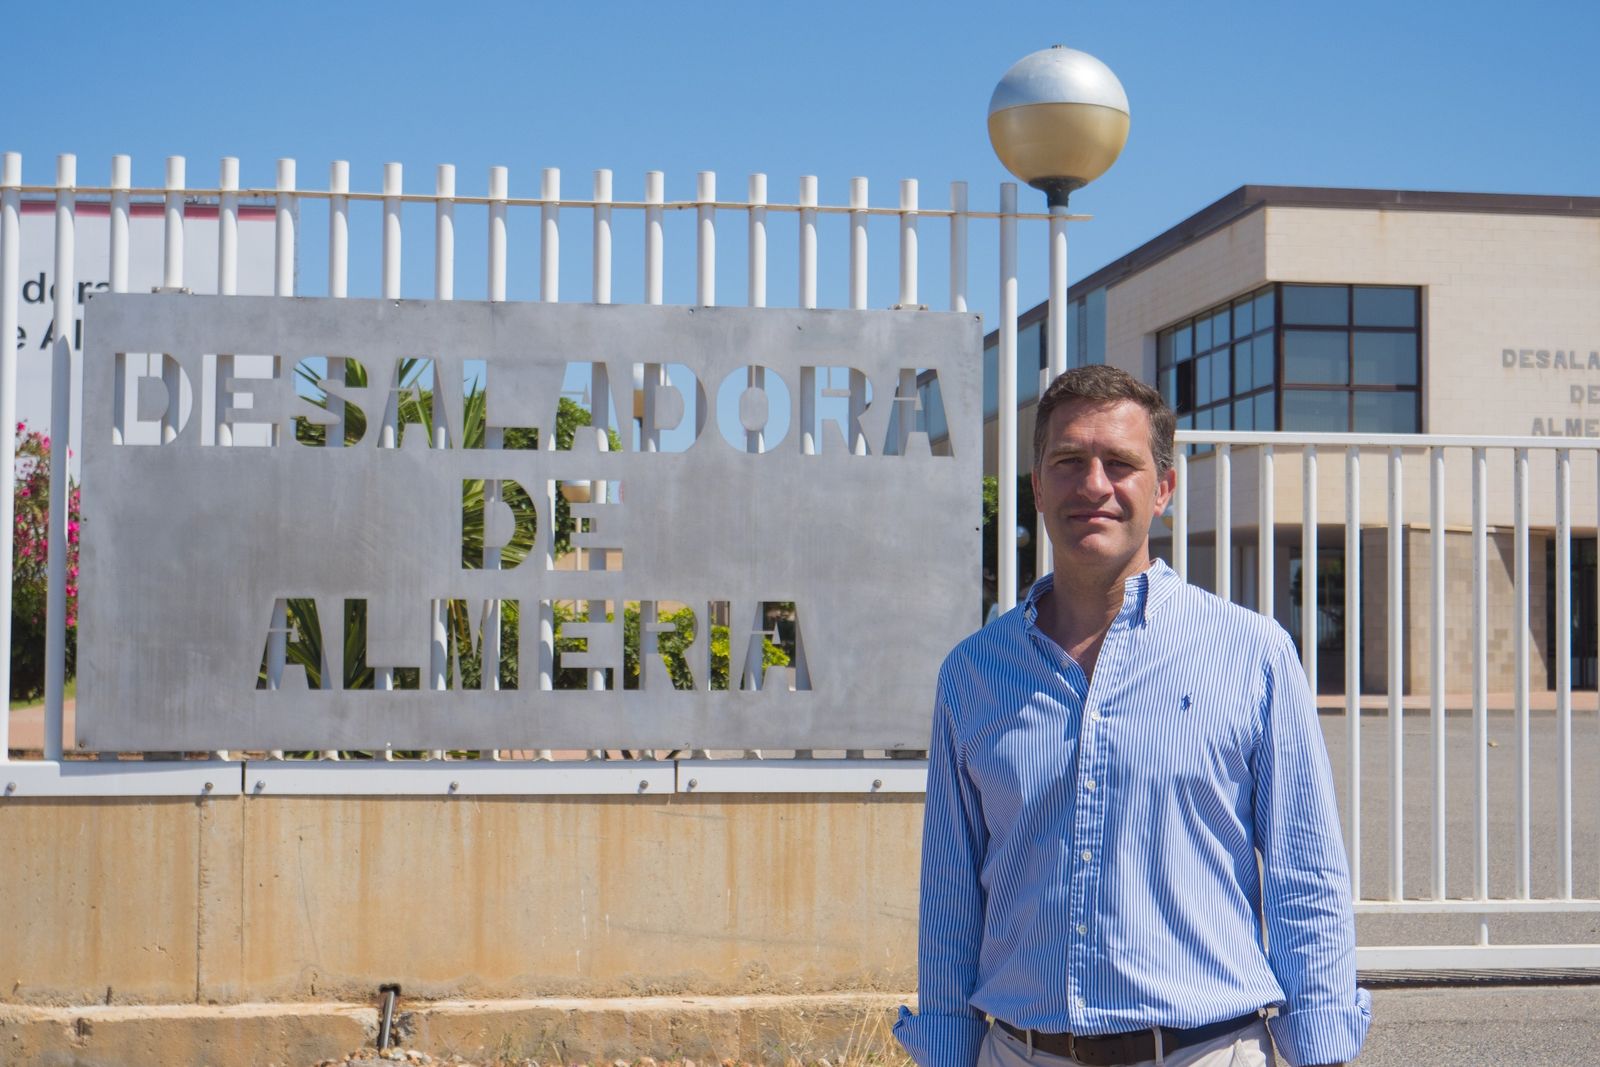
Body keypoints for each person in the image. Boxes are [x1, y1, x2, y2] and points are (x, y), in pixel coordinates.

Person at [893, 366, 1369, 1067]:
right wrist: (944, 1049)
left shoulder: (1251, 653)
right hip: (1020, 1052)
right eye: (1068, 462)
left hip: (1206, 1050)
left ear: (1164, 488)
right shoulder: (974, 673)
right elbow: (950, 894)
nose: (1093, 485)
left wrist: (1320, 1049)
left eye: (1120, 463)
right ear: (1037, 486)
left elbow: (1307, 874)